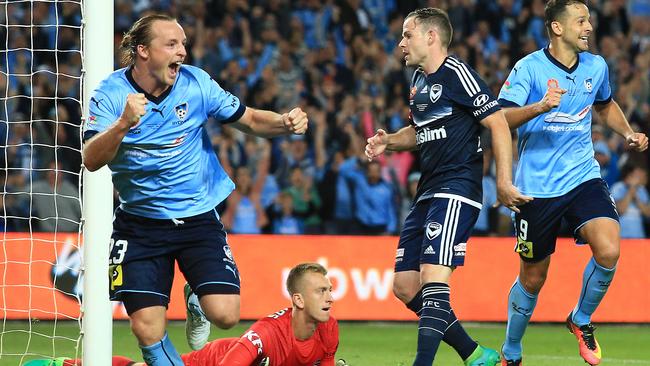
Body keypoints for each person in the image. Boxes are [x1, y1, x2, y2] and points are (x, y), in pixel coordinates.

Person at [82, 14, 308, 366]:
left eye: (183, 43)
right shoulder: (110, 95)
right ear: (143, 51)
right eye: (171, 44)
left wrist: (283, 122)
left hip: (197, 218)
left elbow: (247, 118)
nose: (182, 52)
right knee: (147, 330)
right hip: (140, 224)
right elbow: (91, 158)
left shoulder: (197, 84)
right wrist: (123, 124)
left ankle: (196, 299)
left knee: (226, 314)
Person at [365, 7, 531, 366]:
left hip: (457, 189)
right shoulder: (419, 83)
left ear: (431, 36)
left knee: (433, 282)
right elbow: (421, 131)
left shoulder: (457, 73)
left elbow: (498, 123)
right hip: (426, 191)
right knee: (406, 287)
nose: (401, 43)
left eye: (407, 35)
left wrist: (503, 181)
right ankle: (474, 354)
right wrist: (389, 141)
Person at [496, 1, 649, 365]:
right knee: (533, 280)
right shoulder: (528, 69)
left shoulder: (596, 66)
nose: (589, 27)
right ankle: (512, 351)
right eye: (581, 21)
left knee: (610, 249)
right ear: (557, 28)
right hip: (536, 189)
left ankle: (580, 319)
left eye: (590, 20)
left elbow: (605, 104)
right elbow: (499, 117)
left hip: (583, 176)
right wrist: (538, 107)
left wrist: (627, 131)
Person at [24, 263, 343, 366]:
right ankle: (63, 364)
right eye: (321, 291)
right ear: (298, 300)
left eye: (330, 290)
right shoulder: (268, 332)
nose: (330, 297)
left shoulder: (329, 330)